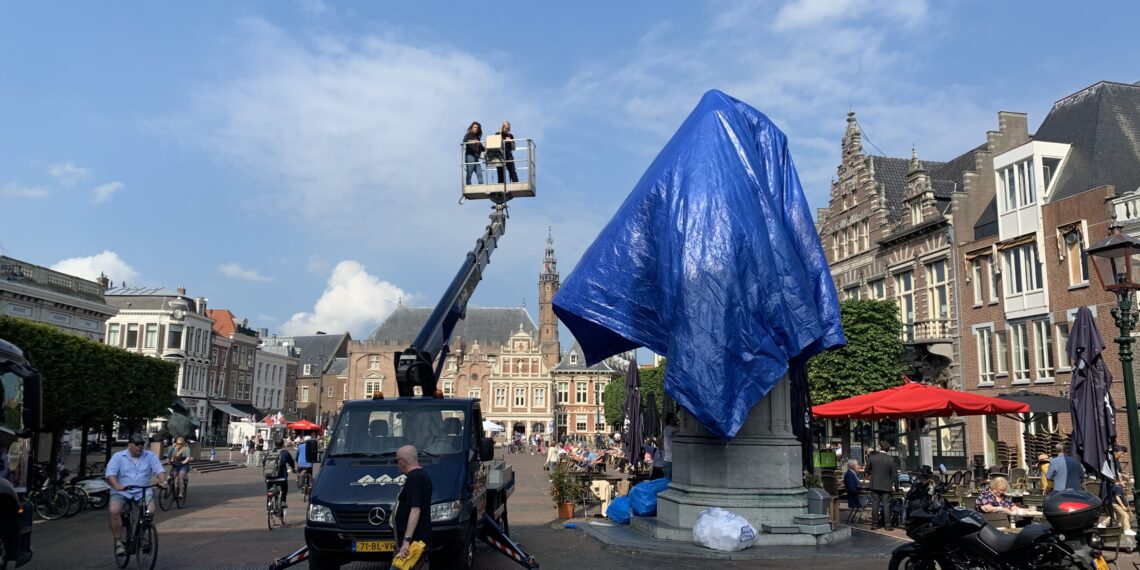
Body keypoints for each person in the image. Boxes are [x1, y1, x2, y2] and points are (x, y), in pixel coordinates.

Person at [106, 434, 167, 557]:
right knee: (114, 510)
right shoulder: (118, 457)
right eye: (137, 444)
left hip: (142, 491)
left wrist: (162, 481)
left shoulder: (149, 455)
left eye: (142, 444)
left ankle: (142, 535)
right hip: (122, 490)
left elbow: (159, 469)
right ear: (129, 445)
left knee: (150, 511)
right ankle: (118, 541)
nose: (140, 446)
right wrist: (117, 486)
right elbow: (110, 473)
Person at [392, 445, 433, 569]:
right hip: (416, 541)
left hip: (412, 543)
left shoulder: (414, 479)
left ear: (403, 461)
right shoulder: (422, 476)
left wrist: (406, 541)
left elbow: (415, 510)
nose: (396, 464)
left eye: (397, 460)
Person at [865, 441, 898, 530]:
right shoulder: (891, 459)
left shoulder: (872, 457)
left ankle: (875, 524)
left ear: (880, 447)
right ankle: (888, 525)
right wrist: (897, 487)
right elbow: (895, 475)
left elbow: (866, 470)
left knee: (875, 504)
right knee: (886, 504)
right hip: (887, 486)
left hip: (875, 484)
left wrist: (873, 473)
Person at [263, 437, 296, 509]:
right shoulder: (284, 452)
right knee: (284, 488)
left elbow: (263, 463)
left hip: (269, 476)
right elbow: (291, 462)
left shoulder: (269, 452)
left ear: (275, 444)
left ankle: (269, 505)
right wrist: (293, 469)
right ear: (283, 444)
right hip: (281, 477)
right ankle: (283, 501)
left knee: (269, 491)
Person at [663, 413, 678, 480]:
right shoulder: (668, 428)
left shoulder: (670, 428)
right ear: (671, 419)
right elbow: (679, 429)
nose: (677, 419)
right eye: (675, 418)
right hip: (669, 461)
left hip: (671, 460)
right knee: (667, 481)